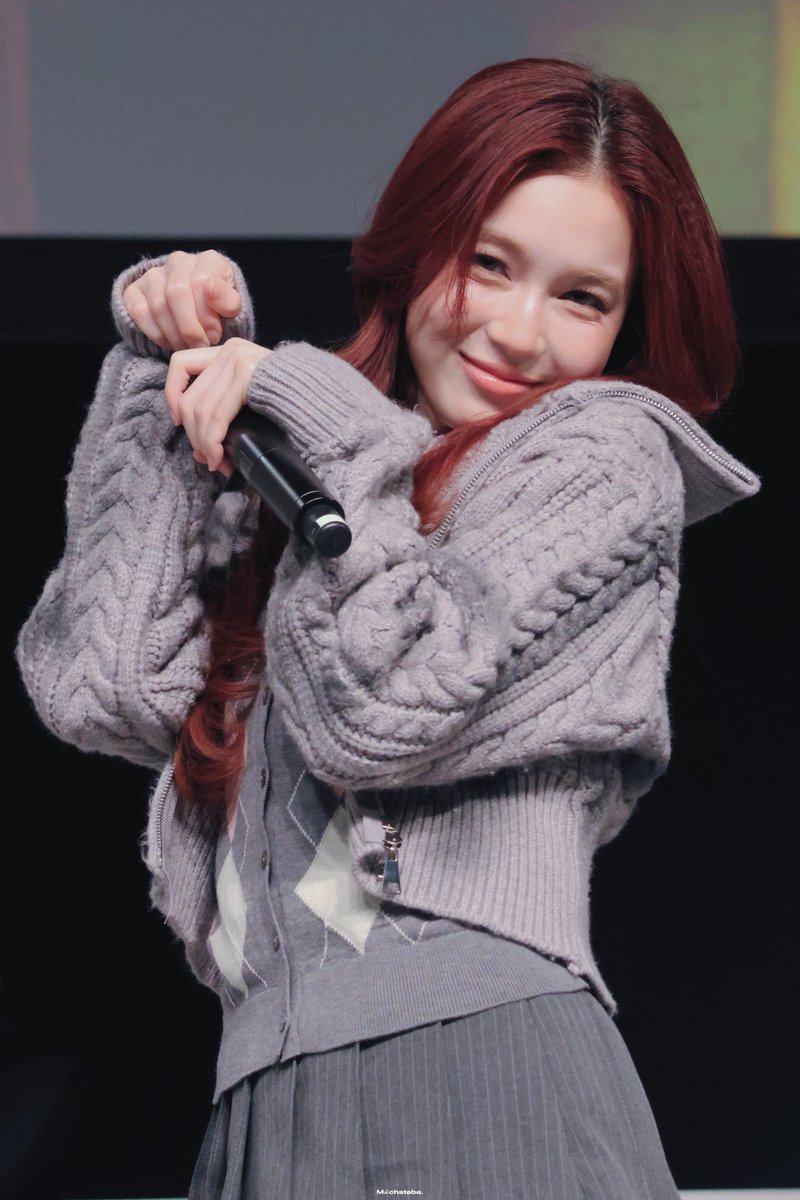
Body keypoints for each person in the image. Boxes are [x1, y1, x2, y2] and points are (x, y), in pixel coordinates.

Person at [16, 57, 760, 1199]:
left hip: (476, 1071)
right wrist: (165, 365)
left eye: (582, 298)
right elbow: (103, 687)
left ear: (626, 329)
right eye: (488, 263)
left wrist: (312, 410)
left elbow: (384, 709)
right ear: (420, 244)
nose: (518, 332)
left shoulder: (605, 464)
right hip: (264, 1097)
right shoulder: (335, 480)